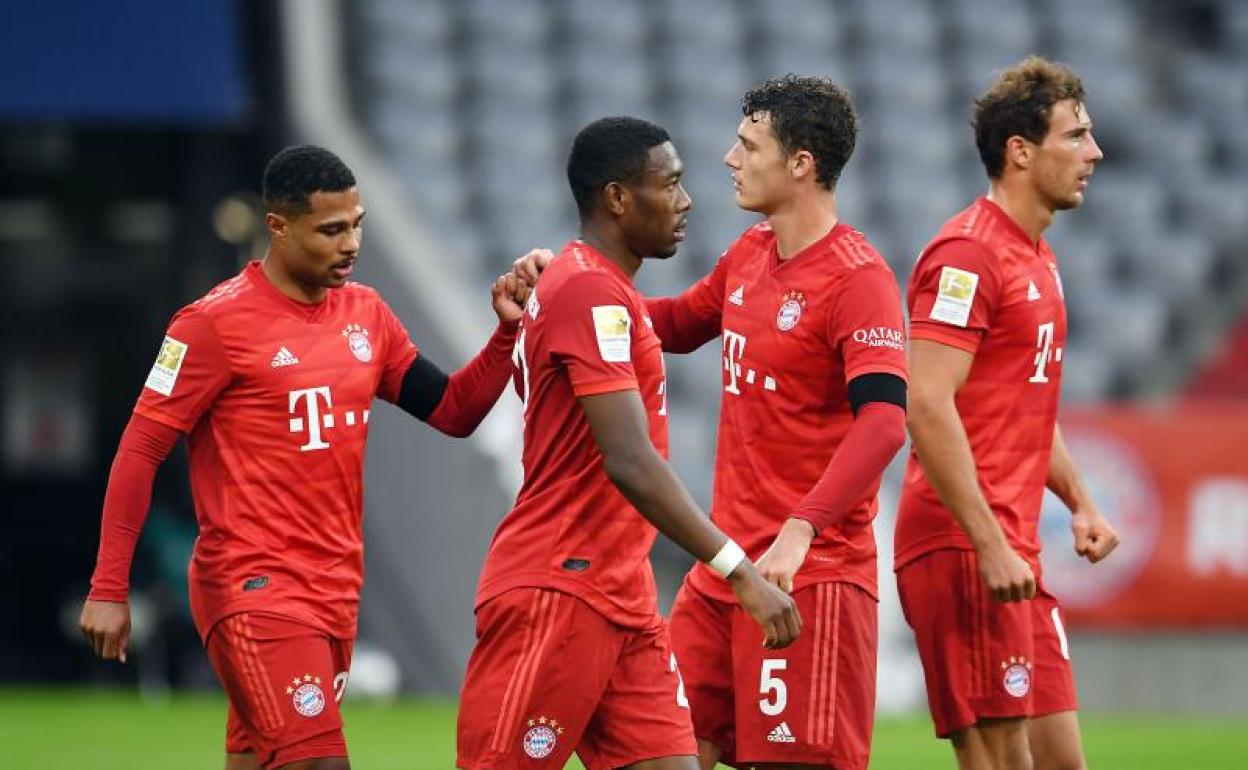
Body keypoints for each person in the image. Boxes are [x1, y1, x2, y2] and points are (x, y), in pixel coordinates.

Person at [79, 145, 526, 770]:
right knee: (320, 761)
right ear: (278, 227)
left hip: (334, 587)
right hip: (252, 587)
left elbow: (453, 411)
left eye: (358, 224)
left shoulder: (366, 315)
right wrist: (109, 586)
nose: (351, 244)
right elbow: (139, 449)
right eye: (331, 229)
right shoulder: (210, 325)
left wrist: (506, 334)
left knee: (261, 760)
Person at [513, 76, 909, 770]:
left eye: (748, 145)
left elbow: (883, 423)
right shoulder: (749, 255)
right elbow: (662, 323)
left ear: (800, 165)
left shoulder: (859, 279)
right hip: (725, 574)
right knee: (666, 752)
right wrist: (572, 282)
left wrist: (799, 530)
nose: (729, 158)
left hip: (808, 576)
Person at [456, 117, 801, 770]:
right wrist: (740, 572)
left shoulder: (591, 289)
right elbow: (630, 461)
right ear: (617, 198)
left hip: (622, 595)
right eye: (668, 184)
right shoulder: (587, 291)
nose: (686, 199)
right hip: (559, 586)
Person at [895, 56, 1120, 770]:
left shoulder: (1038, 257)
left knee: (1060, 762)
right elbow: (925, 402)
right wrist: (989, 542)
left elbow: (1023, 404)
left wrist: (1079, 500)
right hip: (965, 542)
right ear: (1020, 151)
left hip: (1012, 545)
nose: (1095, 153)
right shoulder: (968, 254)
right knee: (1000, 760)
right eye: (1076, 136)